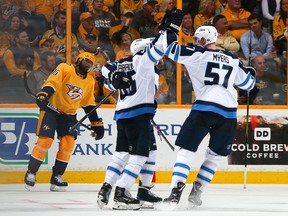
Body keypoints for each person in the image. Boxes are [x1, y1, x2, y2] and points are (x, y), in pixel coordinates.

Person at [159, 12, 255, 207]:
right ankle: (197, 191)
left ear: (204, 39)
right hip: (228, 113)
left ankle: (175, 192)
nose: (194, 41)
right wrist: (251, 71)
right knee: (214, 156)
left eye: (196, 39)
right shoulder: (233, 59)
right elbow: (248, 83)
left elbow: (171, 50)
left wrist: (170, 29)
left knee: (186, 151)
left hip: (205, 108)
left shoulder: (198, 54)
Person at [97, 33, 167, 210]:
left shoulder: (122, 64)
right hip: (138, 115)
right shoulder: (145, 63)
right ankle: (121, 192)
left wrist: (113, 78)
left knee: (139, 152)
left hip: (124, 115)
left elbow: (106, 72)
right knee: (140, 156)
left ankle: (111, 188)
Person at [24, 52, 105, 192]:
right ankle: (31, 172)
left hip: (69, 116)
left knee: (68, 145)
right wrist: (44, 94)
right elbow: (52, 83)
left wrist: (96, 123)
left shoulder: (90, 81)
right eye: (86, 61)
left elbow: (88, 104)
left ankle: (57, 177)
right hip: (51, 110)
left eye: (90, 64)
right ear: (78, 60)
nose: (88, 65)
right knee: (45, 142)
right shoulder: (65, 68)